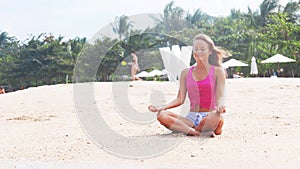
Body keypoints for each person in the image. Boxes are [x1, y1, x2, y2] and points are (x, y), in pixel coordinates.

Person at [148, 33, 226, 136]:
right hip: (191, 119)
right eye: (196, 49)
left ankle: (195, 129)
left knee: (215, 117)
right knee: (162, 115)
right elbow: (180, 99)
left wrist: (220, 106)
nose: (198, 52)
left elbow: (220, 96)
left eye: (202, 49)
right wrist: (162, 107)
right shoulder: (185, 73)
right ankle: (197, 132)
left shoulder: (218, 71)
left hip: (210, 115)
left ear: (210, 51)